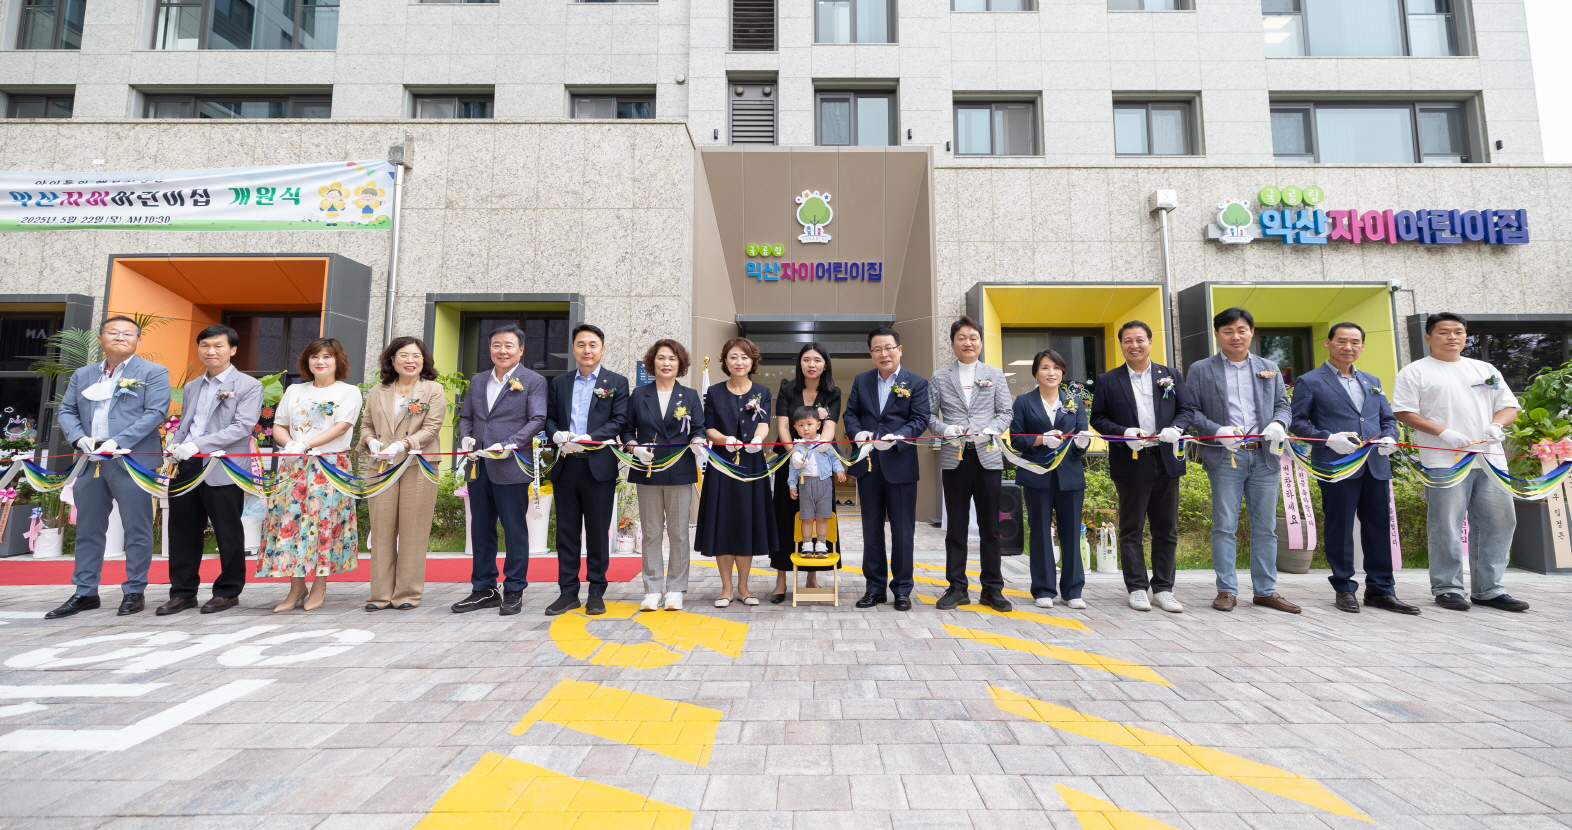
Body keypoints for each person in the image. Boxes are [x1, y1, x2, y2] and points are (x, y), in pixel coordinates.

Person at [1394, 312, 1528, 613]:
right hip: (1444, 461)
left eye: (1458, 332)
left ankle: (1489, 589)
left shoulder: (1483, 368)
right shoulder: (1414, 372)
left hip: (1490, 460)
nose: (1452, 337)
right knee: (1446, 525)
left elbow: (1509, 406)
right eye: (1444, 332)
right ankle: (1448, 587)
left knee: (1499, 523)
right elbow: (1403, 411)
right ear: (1428, 337)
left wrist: (1496, 425)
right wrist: (1443, 432)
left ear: (1465, 336)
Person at [1290, 322, 1421, 614]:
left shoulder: (1372, 380)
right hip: (1337, 464)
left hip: (1375, 464)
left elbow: (1387, 419)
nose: (1348, 347)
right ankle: (1344, 588)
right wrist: (1327, 438)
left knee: (1378, 527)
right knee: (1340, 527)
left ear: (1362, 346)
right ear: (1328, 343)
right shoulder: (1310, 381)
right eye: (1341, 341)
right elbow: (1297, 422)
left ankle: (1381, 590)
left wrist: (1391, 437)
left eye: (1354, 342)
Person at [46, 316, 171, 619]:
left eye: (128, 333)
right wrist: (80, 438)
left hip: (132, 460)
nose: (120, 337)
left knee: (137, 528)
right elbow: (67, 409)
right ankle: (85, 592)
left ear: (138, 340)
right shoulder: (84, 374)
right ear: (100, 338)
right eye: (113, 332)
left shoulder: (153, 372)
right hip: (90, 460)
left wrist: (117, 441)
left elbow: (155, 412)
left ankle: (134, 590)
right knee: (88, 528)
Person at [1184, 308, 1299, 614]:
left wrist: (1279, 423)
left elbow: (1283, 405)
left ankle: (1265, 590)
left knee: (1266, 528)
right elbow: (1191, 410)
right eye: (1228, 331)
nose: (1235, 336)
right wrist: (1216, 430)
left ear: (1251, 332)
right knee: (1224, 525)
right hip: (1226, 456)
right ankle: (1226, 589)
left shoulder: (1268, 367)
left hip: (1264, 455)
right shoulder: (1201, 369)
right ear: (1217, 334)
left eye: (1241, 330)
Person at [1090, 321, 1198, 614]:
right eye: (1127, 340)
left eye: (1139, 339)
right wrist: (1124, 433)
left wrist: (1176, 427)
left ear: (1150, 342)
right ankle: (1137, 587)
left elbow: (1187, 408)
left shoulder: (1170, 375)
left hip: (1166, 458)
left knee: (1166, 528)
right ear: (1121, 345)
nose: (1134, 345)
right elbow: (1098, 418)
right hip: (1131, 459)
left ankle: (1163, 589)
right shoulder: (1108, 380)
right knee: (1131, 527)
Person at [158, 324, 263, 616]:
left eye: (218, 345)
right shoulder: (193, 386)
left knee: (227, 531)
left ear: (233, 349)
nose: (211, 351)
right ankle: (182, 593)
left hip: (223, 465)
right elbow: (186, 423)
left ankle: (228, 591)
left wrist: (198, 444)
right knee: (182, 530)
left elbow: (242, 427)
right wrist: (175, 444)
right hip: (186, 463)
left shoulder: (248, 385)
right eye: (205, 346)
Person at [258, 338, 362, 612]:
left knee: (323, 523)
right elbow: (279, 425)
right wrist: (291, 445)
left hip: (329, 465)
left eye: (327, 356)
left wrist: (305, 444)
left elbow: (341, 427)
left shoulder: (348, 392)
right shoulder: (295, 390)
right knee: (289, 522)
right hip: (294, 464)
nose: (320, 361)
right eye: (315, 356)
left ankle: (319, 585)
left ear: (338, 361)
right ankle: (296, 587)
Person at [452, 325, 547, 616]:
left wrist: (509, 444)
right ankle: (484, 588)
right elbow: (466, 416)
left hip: (511, 464)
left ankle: (514, 588)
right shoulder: (478, 380)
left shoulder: (534, 381)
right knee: (480, 529)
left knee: (514, 529)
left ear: (521, 349)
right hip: (478, 464)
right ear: (490, 348)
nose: (502, 351)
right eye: (496, 345)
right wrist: (466, 439)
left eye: (508, 345)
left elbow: (537, 419)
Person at [928, 315, 1013, 612]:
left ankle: (992, 588)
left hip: (987, 456)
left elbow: (1006, 412)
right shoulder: (940, 376)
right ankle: (957, 587)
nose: (968, 343)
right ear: (953, 343)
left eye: (973, 337)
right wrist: (946, 429)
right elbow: (929, 416)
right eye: (961, 338)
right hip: (955, 457)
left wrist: (990, 430)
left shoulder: (994, 374)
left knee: (991, 526)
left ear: (980, 342)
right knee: (956, 526)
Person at [545, 324, 630, 617]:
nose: (587, 350)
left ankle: (596, 591)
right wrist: (556, 434)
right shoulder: (559, 382)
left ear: (602, 349)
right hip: (566, 465)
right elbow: (549, 419)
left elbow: (619, 420)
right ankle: (568, 592)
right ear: (573, 349)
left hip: (598, 467)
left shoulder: (616, 382)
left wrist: (590, 438)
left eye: (593, 345)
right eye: (581, 344)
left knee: (597, 533)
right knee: (566, 532)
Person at [843, 326, 930, 611]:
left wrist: (898, 436)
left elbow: (920, 419)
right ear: (871, 353)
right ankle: (874, 588)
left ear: (899, 350)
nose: (884, 354)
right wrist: (857, 434)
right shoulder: (862, 380)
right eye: (877, 349)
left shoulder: (916, 382)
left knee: (903, 532)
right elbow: (850, 413)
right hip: (869, 464)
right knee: (871, 530)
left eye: (889, 348)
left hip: (900, 463)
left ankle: (902, 590)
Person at [359, 336, 448, 612]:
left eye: (416, 356)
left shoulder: (433, 390)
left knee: (413, 530)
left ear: (424, 360)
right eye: (404, 355)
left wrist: (403, 444)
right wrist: (371, 441)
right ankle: (380, 595)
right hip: (381, 466)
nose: (410, 361)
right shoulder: (378, 390)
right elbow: (366, 425)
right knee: (382, 530)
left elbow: (431, 428)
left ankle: (407, 593)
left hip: (417, 465)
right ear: (392, 359)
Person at [623, 339, 706, 612]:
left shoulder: (690, 395)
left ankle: (676, 589)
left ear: (680, 363)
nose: (666, 363)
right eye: (661, 358)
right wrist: (634, 448)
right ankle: (652, 589)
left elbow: (699, 428)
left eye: (672, 358)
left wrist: (698, 441)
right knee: (651, 533)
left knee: (679, 533)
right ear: (652, 362)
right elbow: (627, 430)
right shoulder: (639, 394)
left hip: (680, 470)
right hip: (647, 470)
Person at [694, 337, 775, 607]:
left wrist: (758, 439)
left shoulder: (762, 391)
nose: (739, 362)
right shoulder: (714, 392)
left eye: (744, 357)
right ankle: (726, 588)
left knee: (745, 521)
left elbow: (763, 423)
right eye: (733, 357)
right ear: (725, 361)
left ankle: (744, 587)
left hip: (752, 463)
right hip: (722, 464)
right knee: (724, 522)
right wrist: (725, 439)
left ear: (752, 361)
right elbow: (708, 427)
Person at [1010, 349, 1093, 609]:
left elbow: (1081, 440)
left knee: (1072, 533)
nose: (1051, 373)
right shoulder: (1024, 402)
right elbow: (1016, 439)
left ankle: (1073, 590)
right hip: (1037, 476)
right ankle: (1043, 589)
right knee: (1040, 532)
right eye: (1045, 368)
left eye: (1056, 368)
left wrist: (1082, 443)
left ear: (1063, 372)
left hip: (1070, 477)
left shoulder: (1074, 402)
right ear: (1036, 372)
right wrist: (1040, 439)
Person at [769, 342, 842, 603]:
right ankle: (780, 580)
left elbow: (829, 429)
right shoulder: (787, 388)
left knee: (820, 516)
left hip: (820, 466)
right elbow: (783, 426)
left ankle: (812, 575)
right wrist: (795, 454)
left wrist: (813, 454)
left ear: (825, 364)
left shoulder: (833, 392)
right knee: (786, 517)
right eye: (807, 359)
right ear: (800, 363)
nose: (812, 364)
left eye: (817, 360)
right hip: (790, 461)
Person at [786, 406, 847, 560]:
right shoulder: (797, 447)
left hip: (824, 485)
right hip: (805, 485)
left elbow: (834, 458)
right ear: (795, 427)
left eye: (809, 424)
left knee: (822, 517)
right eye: (801, 425)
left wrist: (839, 470)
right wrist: (792, 485)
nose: (805, 429)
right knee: (806, 517)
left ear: (818, 425)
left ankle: (821, 544)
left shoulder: (825, 443)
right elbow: (793, 468)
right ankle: (806, 545)